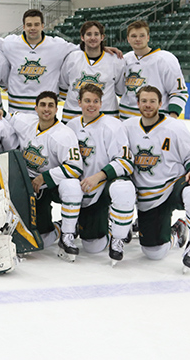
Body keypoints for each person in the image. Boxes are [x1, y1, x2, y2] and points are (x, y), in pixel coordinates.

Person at [123, 86, 190, 271]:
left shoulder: (174, 127)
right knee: (153, 253)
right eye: (144, 101)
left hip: (172, 187)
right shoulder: (128, 127)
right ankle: (177, 232)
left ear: (160, 103)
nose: (148, 105)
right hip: (147, 197)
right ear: (138, 103)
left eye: (152, 101)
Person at [5, 91, 83, 261]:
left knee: (72, 186)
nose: (46, 109)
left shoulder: (65, 134)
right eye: (42, 105)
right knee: (43, 241)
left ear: (56, 109)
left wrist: (43, 178)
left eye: (50, 105)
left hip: (51, 184)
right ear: (36, 107)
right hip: (30, 184)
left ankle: (67, 232)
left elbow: (75, 168)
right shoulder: (26, 122)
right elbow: (7, 116)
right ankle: (56, 228)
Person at [66, 84, 135, 264]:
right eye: (87, 101)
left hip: (103, 187)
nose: (92, 105)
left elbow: (125, 162)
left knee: (123, 188)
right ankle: (65, 225)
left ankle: (117, 226)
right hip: (81, 189)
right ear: (79, 102)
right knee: (92, 246)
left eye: (96, 101)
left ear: (101, 103)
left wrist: (98, 177)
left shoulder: (113, 126)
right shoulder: (71, 126)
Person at [0, 10, 82, 114]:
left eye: (36, 24)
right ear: (23, 27)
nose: (32, 28)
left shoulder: (57, 45)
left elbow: (83, 49)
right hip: (17, 111)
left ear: (43, 26)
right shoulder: (10, 43)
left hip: (46, 112)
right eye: (29, 25)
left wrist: (104, 49)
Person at [118, 20, 188, 120]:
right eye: (133, 36)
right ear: (128, 39)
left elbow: (179, 92)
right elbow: (120, 91)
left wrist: (172, 118)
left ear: (148, 38)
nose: (138, 39)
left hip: (155, 123)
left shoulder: (165, 59)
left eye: (142, 35)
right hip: (125, 121)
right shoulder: (125, 60)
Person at [59, 20, 125, 122]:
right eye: (89, 34)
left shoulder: (115, 60)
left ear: (102, 37)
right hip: (72, 117)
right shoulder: (72, 58)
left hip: (106, 117)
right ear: (82, 37)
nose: (93, 38)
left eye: (96, 34)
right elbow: (63, 86)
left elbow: (120, 90)